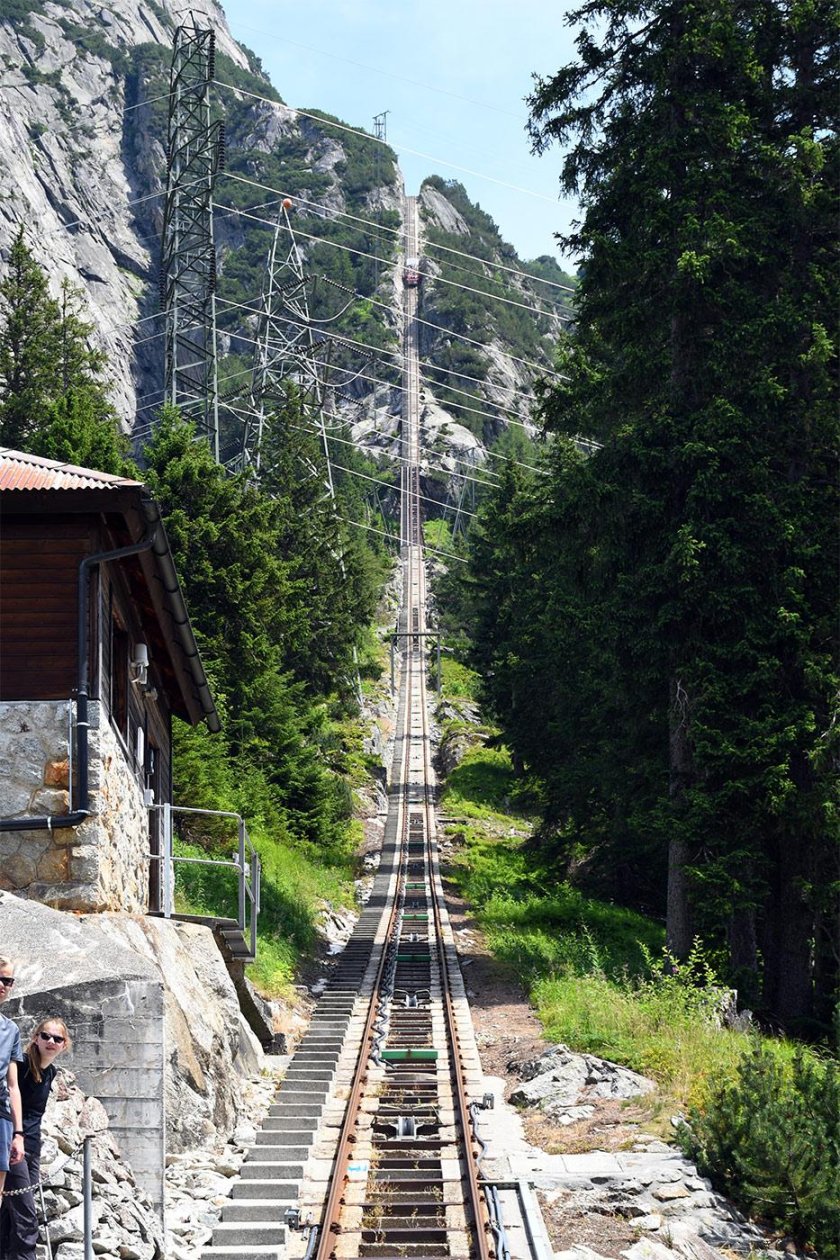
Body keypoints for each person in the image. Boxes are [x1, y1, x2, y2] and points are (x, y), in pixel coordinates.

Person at [0, 1017, 71, 1260]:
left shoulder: (50, 1072)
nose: (51, 1041)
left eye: (57, 1039)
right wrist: (14, 1137)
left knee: (11, 1212)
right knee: (26, 1213)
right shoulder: (20, 1066)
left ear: (64, 1044)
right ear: (35, 1038)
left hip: (32, 1144)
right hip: (13, 1141)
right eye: (46, 1036)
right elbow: (9, 1098)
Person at [0, 957, 24, 1208]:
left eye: (8, 980)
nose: (2, 985)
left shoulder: (11, 1030)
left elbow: (13, 1085)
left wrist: (18, 1134)